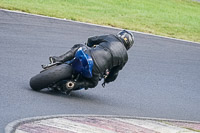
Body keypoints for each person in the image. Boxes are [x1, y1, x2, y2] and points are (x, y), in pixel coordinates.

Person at [50, 30, 134, 90]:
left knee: (78, 47)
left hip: (88, 54)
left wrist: (89, 45)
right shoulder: (124, 57)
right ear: (128, 46)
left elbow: (91, 39)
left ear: (119, 35)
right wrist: (107, 80)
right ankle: (72, 84)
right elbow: (114, 73)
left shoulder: (111, 37)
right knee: (93, 83)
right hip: (97, 68)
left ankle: (58, 59)